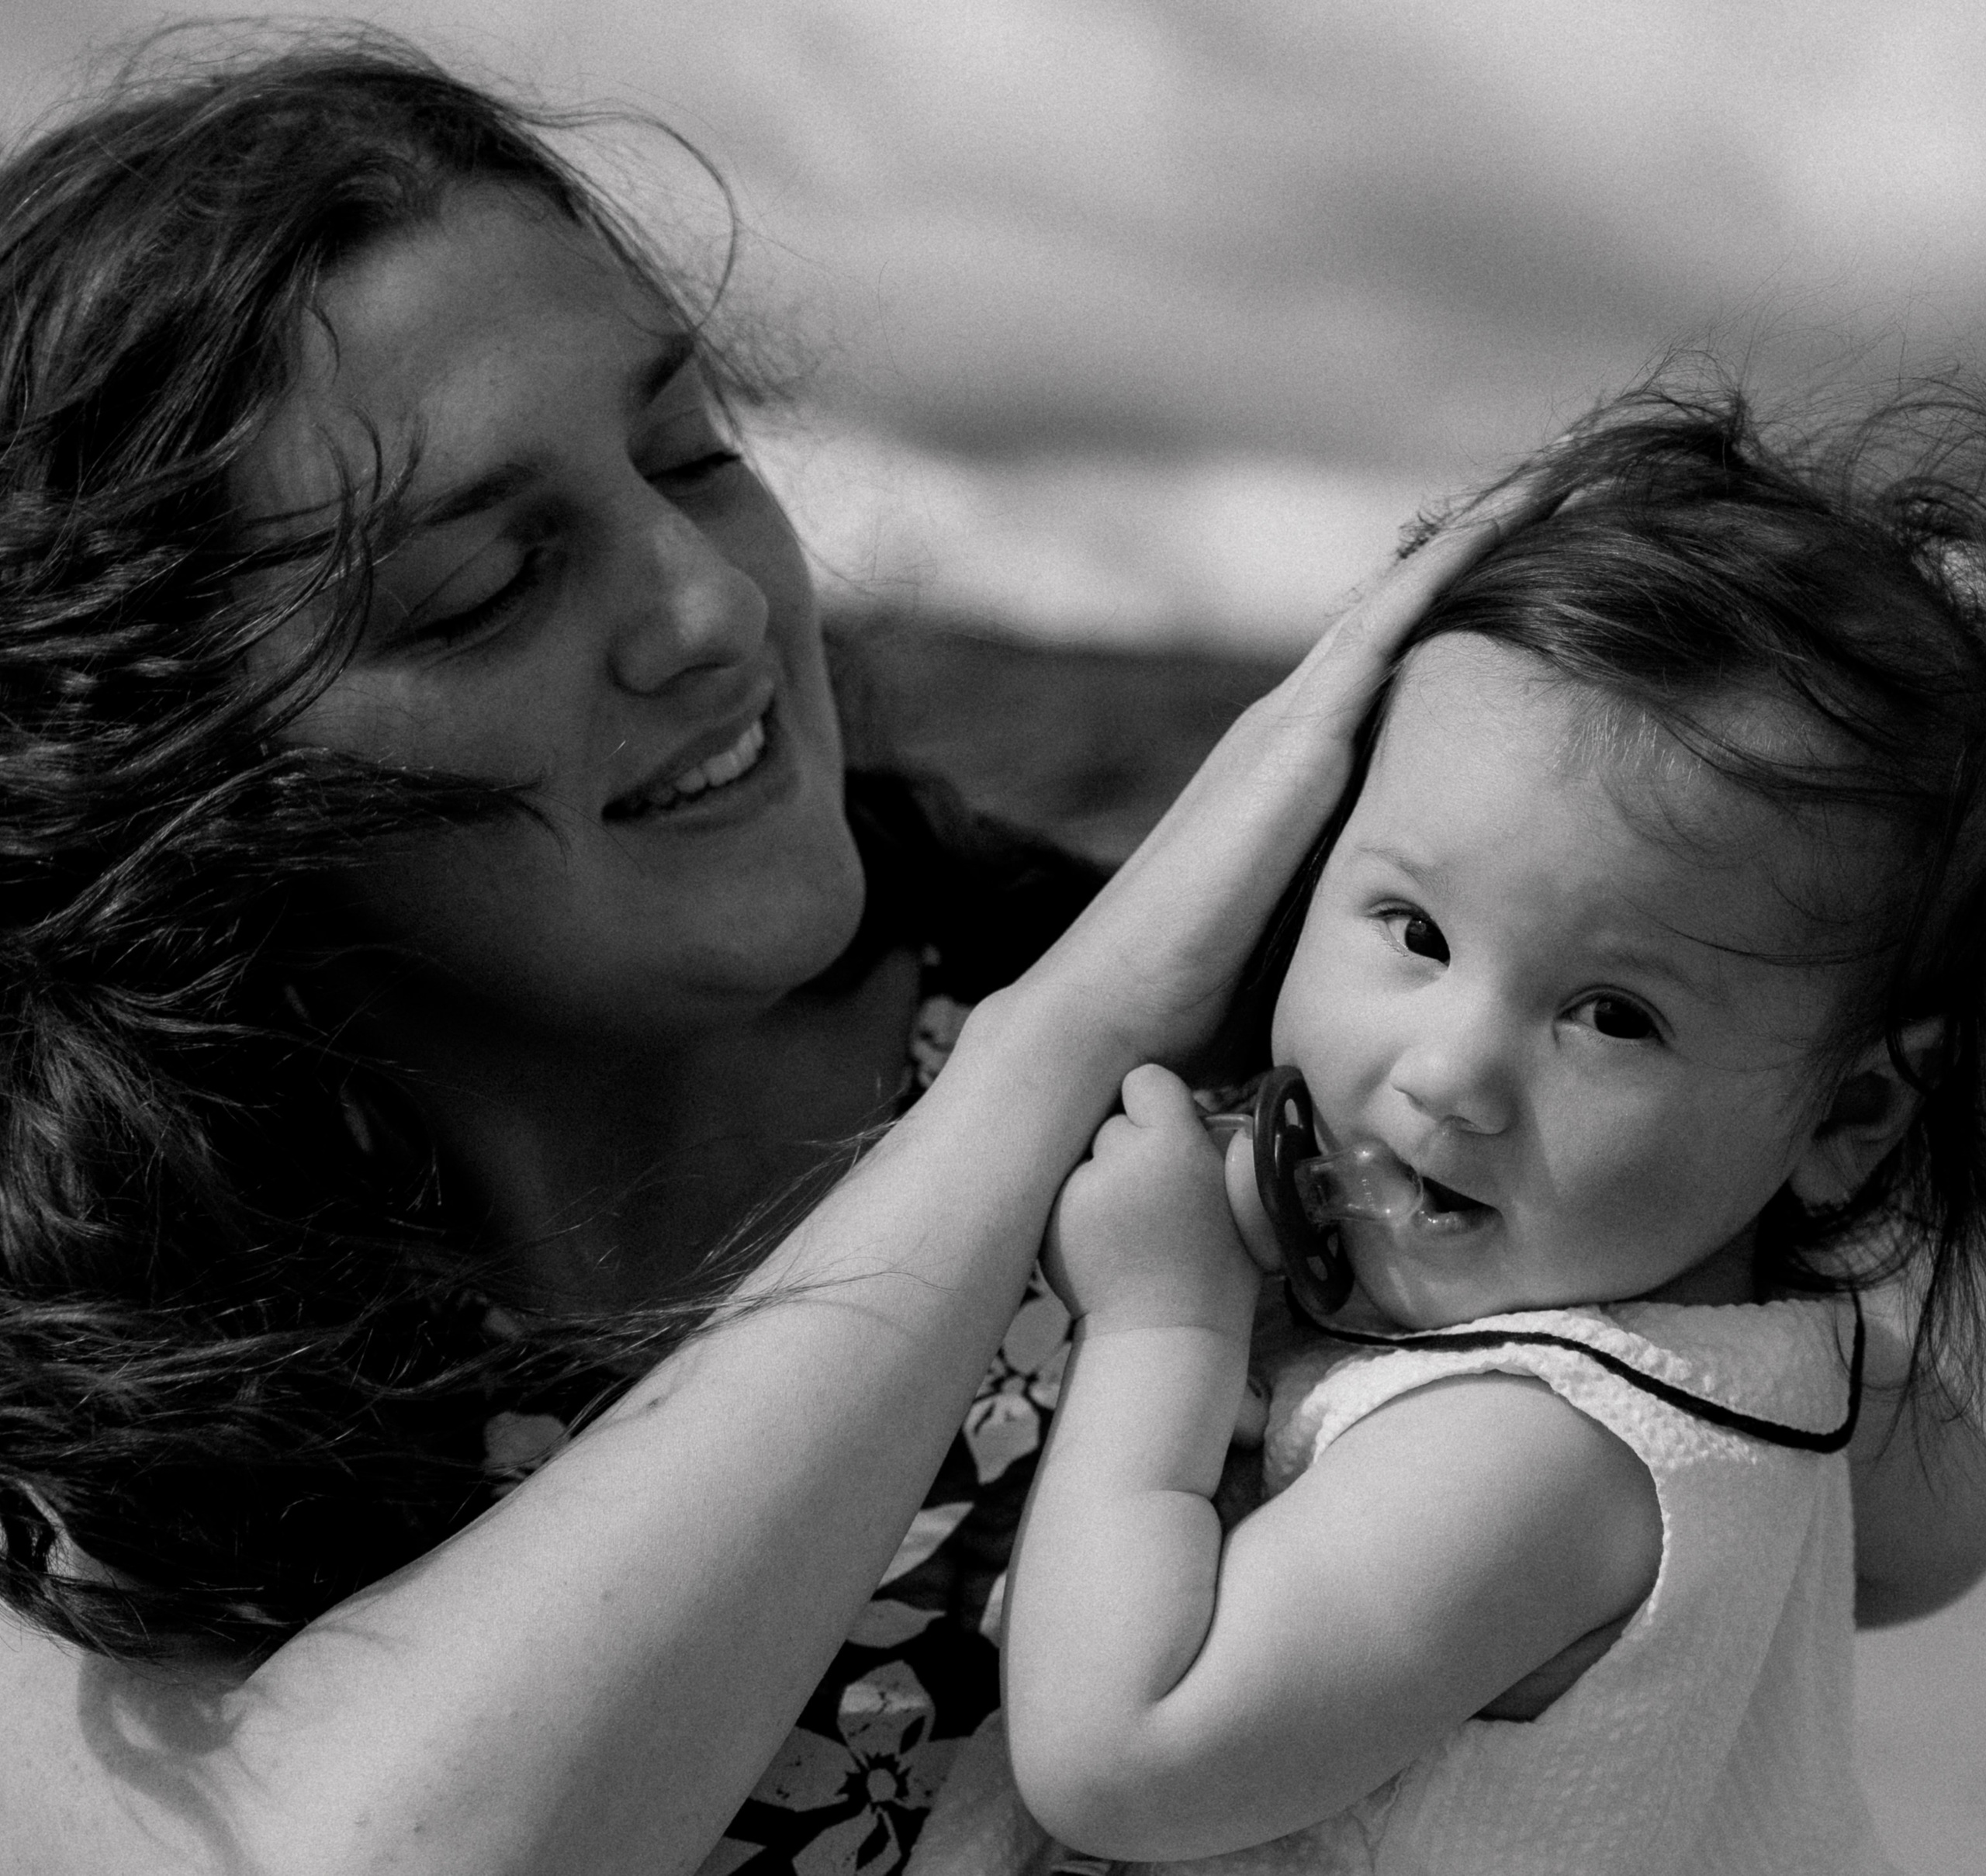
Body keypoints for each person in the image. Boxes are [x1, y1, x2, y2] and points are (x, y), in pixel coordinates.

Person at [0, 32, 1974, 1876]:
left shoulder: (1230, 1098)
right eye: (487, 584)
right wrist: (1058, 1048)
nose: (707, 606)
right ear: (169, 769)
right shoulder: (81, 1367)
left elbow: (1866, 1500)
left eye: (690, 452)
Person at [998, 389, 1986, 1876]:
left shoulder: (1527, 1454)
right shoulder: (1789, 1372)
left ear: (1847, 1113)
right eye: (1415, 930)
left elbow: (1124, 1756)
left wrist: (1162, 1321)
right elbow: (1935, 1536)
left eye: (1613, 1017)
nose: (1453, 1070)